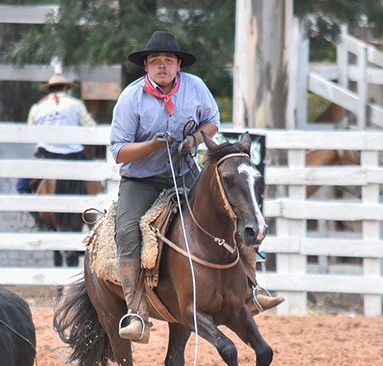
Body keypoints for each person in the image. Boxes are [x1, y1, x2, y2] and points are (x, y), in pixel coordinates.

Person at [110, 31, 280, 342]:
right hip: (141, 179)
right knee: (126, 231)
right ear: (146, 65)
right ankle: (136, 311)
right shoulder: (131, 97)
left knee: (229, 211)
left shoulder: (195, 87)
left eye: (168, 61)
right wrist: (152, 146)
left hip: (187, 169)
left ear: (178, 65)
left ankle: (251, 289)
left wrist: (194, 139)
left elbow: (211, 122)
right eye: (156, 61)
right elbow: (119, 150)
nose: (162, 66)